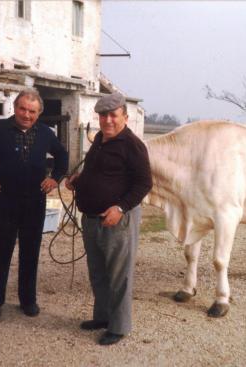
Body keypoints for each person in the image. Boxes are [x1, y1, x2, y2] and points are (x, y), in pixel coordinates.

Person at [0, 88, 68, 321]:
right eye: (22, 109)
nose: (26, 115)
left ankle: (28, 300)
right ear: (15, 108)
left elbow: (63, 156)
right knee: (0, 253)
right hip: (4, 202)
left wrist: (55, 178)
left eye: (32, 111)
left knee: (30, 254)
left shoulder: (45, 134)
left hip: (34, 203)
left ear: (39, 113)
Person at [66, 92, 152, 345]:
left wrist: (121, 208)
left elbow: (144, 183)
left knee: (118, 275)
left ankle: (120, 326)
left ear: (125, 117)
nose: (108, 120)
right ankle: (103, 317)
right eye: (103, 115)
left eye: (113, 115)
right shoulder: (100, 140)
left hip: (118, 220)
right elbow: (97, 170)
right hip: (92, 218)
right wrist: (79, 180)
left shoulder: (133, 145)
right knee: (98, 273)